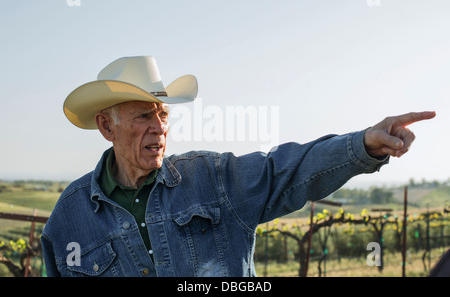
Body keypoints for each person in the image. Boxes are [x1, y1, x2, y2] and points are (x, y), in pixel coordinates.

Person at [41, 56, 435, 277]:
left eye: (163, 114)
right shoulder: (68, 219)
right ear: (107, 126)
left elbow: (287, 169)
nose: (159, 127)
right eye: (144, 116)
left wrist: (363, 144)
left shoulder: (212, 179)